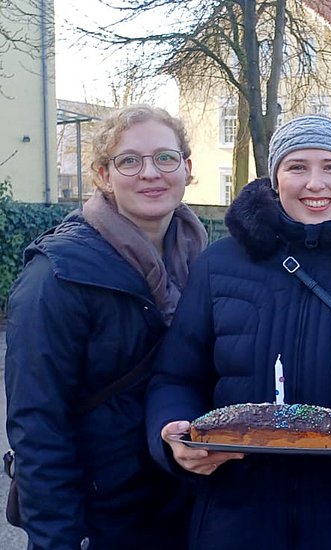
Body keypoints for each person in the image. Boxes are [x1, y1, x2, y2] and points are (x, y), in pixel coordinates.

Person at [145, 114, 331, 549]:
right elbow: (176, 377)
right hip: (234, 520)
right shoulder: (220, 265)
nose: (315, 183)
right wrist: (172, 435)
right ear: (275, 179)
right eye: (297, 167)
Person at [5, 104, 205, 549]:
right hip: (102, 520)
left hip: (183, 508)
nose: (150, 173)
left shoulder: (205, 264)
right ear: (102, 175)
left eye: (165, 158)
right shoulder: (56, 276)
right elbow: (38, 425)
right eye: (129, 160)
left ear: (187, 168)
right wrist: (58, 539)